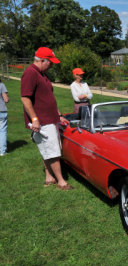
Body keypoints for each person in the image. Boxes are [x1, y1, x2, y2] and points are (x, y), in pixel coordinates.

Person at [20, 47, 74, 190]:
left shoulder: (42, 74)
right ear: (42, 60)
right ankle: (61, 181)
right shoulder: (30, 73)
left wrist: (59, 115)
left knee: (47, 149)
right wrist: (35, 119)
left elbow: (48, 98)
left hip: (50, 118)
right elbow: (25, 98)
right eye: (50, 62)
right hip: (42, 120)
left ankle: (49, 177)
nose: (51, 65)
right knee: (54, 152)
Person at [0, 78, 9, 156]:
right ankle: (2, 151)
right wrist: (7, 98)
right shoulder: (1, 85)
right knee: (2, 131)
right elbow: (6, 99)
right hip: (1, 111)